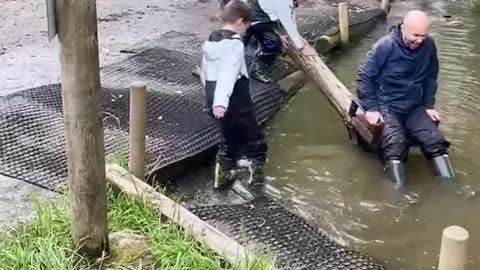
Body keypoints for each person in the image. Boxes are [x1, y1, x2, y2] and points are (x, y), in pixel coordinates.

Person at [356, 10, 455, 187]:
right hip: (387, 104)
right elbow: (365, 77)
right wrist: (371, 109)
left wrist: (429, 105)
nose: (420, 40)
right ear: (404, 28)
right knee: (395, 144)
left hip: (414, 106)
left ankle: (450, 187)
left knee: (435, 141)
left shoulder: (429, 46)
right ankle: (397, 193)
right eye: (415, 35)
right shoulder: (385, 46)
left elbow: (431, 77)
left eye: (423, 35)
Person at [200, 0, 268, 190]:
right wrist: (221, 103)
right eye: (246, 25)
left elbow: (206, 72)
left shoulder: (212, 40)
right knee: (254, 136)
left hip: (213, 94)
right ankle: (257, 180)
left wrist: (212, 100)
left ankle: (221, 177)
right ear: (239, 21)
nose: (246, 30)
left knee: (228, 136)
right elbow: (228, 74)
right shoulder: (234, 45)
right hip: (234, 97)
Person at [221, 0, 317, 83]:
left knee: (250, 36)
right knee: (273, 44)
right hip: (252, 18)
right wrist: (302, 47)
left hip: (258, 13)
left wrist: (293, 37)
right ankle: (258, 67)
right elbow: (287, 20)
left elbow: (289, 16)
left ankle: (250, 37)